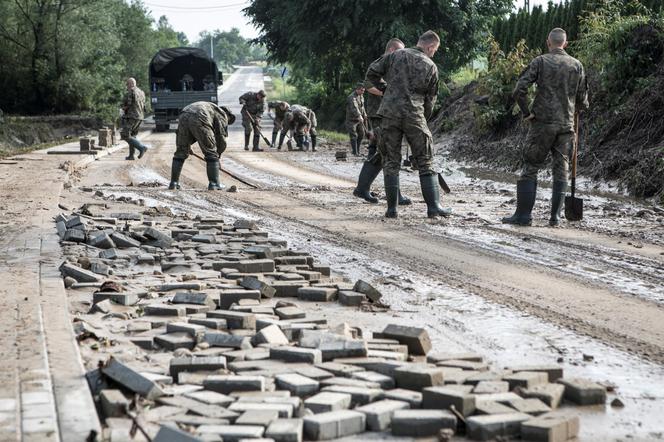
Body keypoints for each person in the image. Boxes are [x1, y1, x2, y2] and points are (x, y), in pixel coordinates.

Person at [503, 27, 589, 227]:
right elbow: (583, 102)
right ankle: (555, 217)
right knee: (562, 169)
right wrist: (572, 110)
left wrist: (526, 113)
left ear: (548, 42)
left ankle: (523, 216)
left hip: (541, 125)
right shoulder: (577, 65)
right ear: (565, 44)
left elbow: (519, 90)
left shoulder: (540, 61)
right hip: (566, 125)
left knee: (531, 167)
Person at [366, 30, 450, 218]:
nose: (433, 53)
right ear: (429, 47)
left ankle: (392, 209)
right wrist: (422, 118)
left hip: (389, 114)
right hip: (414, 115)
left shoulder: (394, 55)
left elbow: (371, 74)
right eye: (434, 50)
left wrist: (386, 90)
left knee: (390, 161)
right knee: (425, 160)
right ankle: (433, 207)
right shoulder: (430, 65)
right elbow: (430, 100)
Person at [353, 38, 411, 206]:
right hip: (379, 114)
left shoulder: (393, 64)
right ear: (392, 50)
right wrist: (388, 94)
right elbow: (368, 84)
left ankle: (362, 188)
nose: (402, 55)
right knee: (390, 152)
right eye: (400, 51)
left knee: (379, 151)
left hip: (387, 114)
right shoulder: (382, 62)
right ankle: (394, 195)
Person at [168, 101, 235, 191]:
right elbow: (221, 138)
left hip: (184, 114)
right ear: (228, 115)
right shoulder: (221, 114)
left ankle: (173, 183)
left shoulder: (210, 108)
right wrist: (217, 156)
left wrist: (187, 145)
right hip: (200, 116)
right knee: (211, 153)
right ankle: (214, 184)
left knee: (180, 152)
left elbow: (185, 132)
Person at [120, 77, 149, 160]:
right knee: (132, 135)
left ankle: (141, 147)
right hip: (140, 117)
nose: (127, 86)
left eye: (127, 84)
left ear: (131, 84)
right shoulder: (141, 92)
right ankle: (131, 155)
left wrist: (122, 109)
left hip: (132, 116)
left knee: (125, 135)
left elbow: (128, 105)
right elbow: (144, 106)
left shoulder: (131, 91)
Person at [345, 82, 367, 156]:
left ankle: (357, 150)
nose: (363, 92)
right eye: (362, 90)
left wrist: (364, 114)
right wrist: (359, 115)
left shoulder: (361, 96)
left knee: (362, 134)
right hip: (351, 120)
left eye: (364, 90)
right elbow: (354, 108)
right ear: (357, 89)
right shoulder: (351, 97)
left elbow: (362, 107)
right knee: (354, 135)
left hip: (359, 120)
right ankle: (355, 152)